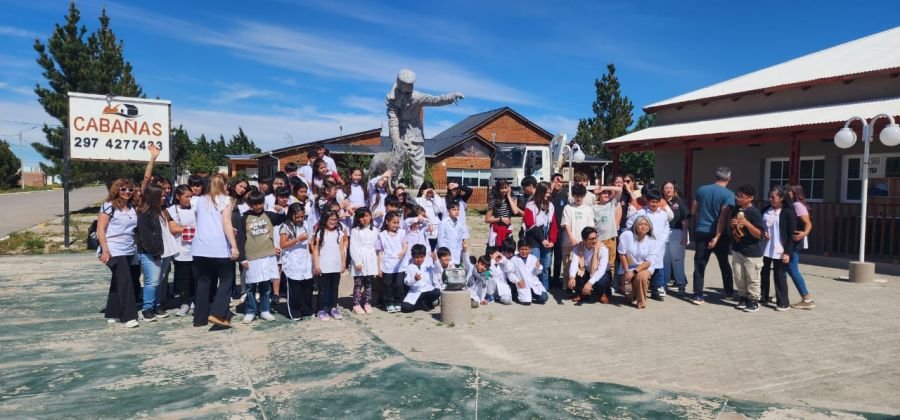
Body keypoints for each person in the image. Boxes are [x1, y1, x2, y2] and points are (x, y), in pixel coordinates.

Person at [385, 68, 464, 188]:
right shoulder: (392, 98)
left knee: (418, 169)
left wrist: (450, 97)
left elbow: (435, 100)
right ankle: (396, 189)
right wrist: (396, 141)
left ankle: (420, 192)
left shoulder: (417, 96)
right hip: (399, 135)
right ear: (401, 85)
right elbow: (393, 121)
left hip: (416, 135)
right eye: (408, 85)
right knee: (396, 165)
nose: (411, 87)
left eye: (412, 84)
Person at [192, 173, 241, 328]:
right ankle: (218, 312)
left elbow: (204, 220)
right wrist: (234, 246)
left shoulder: (198, 200)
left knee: (203, 281)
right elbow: (226, 222)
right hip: (218, 247)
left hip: (199, 247)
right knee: (226, 279)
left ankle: (199, 318)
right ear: (223, 185)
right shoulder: (225, 200)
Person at [235, 191, 286, 324]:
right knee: (251, 286)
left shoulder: (269, 215)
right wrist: (242, 258)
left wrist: (281, 211)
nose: (258, 206)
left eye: (260, 203)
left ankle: (265, 310)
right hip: (251, 257)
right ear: (249, 205)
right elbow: (240, 238)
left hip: (267, 256)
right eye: (254, 204)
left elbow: (282, 219)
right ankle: (250, 311)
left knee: (265, 285)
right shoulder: (244, 218)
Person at [98, 178, 140, 328]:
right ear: (116, 190)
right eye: (123, 189)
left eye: (130, 189)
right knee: (125, 280)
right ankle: (128, 316)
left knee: (118, 280)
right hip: (113, 249)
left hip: (128, 249)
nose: (127, 192)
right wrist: (105, 250)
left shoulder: (132, 207)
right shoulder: (108, 206)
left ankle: (113, 312)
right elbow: (100, 229)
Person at [691, 166, 736, 305]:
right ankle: (728, 292)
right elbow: (723, 217)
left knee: (699, 264)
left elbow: (693, 211)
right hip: (720, 234)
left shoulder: (701, 190)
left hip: (701, 231)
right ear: (729, 179)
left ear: (715, 177)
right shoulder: (729, 194)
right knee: (724, 263)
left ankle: (698, 295)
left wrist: (693, 229)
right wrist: (717, 236)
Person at [624, 187, 671, 301]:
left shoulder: (663, 214)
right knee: (642, 268)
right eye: (652, 202)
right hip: (643, 246)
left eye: (656, 202)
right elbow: (629, 224)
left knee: (658, 268)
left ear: (659, 202)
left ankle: (656, 291)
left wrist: (663, 240)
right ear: (647, 201)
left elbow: (666, 228)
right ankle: (637, 291)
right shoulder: (640, 213)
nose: (654, 204)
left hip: (659, 246)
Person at [728, 184, 766, 313]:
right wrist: (733, 225)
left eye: (741, 197)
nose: (738, 198)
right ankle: (743, 297)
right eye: (737, 196)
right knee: (739, 276)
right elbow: (734, 229)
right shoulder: (736, 210)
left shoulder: (754, 213)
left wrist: (747, 224)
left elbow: (760, 234)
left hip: (752, 251)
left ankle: (754, 300)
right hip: (738, 248)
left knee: (752, 277)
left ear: (750, 198)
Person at [760, 186, 797, 311]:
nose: (770, 199)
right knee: (763, 273)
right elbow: (759, 224)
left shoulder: (788, 212)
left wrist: (788, 252)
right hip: (765, 248)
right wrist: (761, 232)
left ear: (781, 198)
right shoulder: (766, 210)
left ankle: (783, 302)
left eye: (773, 197)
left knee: (779, 275)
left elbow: (792, 235)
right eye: (769, 197)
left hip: (780, 249)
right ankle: (763, 296)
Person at [280, 203, 314, 321]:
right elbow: (283, 244)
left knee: (307, 286)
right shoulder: (286, 227)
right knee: (295, 288)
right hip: (293, 260)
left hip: (305, 259)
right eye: (297, 217)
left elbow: (311, 241)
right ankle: (294, 312)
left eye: (302, 216)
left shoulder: (306, 224)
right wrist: (298, 239)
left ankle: (307, 309)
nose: (300, 219)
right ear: (291, 215)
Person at [618, 215, 659, 309]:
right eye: (640, 224)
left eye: (646, 224)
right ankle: (632, 294)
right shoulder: (626, 235)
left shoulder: (652, 240)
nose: (643, 226)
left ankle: (641, 301)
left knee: (641, 277)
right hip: (628, 267)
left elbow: (648, 261)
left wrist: (635, 271)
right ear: (635, 226)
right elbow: (622, 254)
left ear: (649, 227)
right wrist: (627, 271)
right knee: (629, 294)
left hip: (645, 267)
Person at [785, 184, 816, 309]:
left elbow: (807, 223)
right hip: (792, 240)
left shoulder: (797, 205)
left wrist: (804, 233)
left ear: (795, 193)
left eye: (789, 191)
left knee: (792, 269)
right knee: (786, 268)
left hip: (795, 241)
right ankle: (780, 293)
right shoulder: (792, 205)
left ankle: (807, 298)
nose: (787, 193)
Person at [167, 185, 196, 317]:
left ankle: (196, 300)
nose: (189, 199)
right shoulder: (171, 210)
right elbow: (173, 229)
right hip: (181, 249)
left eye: (191, 196)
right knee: (183, 278)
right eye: (186, 196)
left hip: (197, 248)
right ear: (178, 197)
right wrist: (191, 228)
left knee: (197, 277)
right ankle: (184, 303)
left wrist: (184, 227)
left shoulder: (196, 207)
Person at [523, 181, 557, 291]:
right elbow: (530, 224)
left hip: (546, 235)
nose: (549, 194)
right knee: (534, 264)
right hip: (534, 237)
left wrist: (552, 240)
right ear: (541, 192)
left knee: (546, 265)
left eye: (549, 192)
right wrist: (542, 240)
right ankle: (533, 288)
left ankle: (544, 288)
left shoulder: (550, 205)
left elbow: (553, 224)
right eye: (547, 192)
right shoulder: (530, 205)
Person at [560, 184, 593, 294]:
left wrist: (585, 241)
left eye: (581, 196)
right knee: (568, 265)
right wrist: (572, 238)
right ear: (573, 195)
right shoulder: (568, 208)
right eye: (576, 196)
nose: (578, 198)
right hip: (569, 242)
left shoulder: (588, 209)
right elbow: (566, 225)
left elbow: (590, 227)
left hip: (583, 242)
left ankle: (578, 287)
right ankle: (567, 286)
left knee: (580, 265)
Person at [567, 227, 611, 304]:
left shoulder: (603, 249)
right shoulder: (578, 247)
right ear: (584, 240)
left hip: (602, 273)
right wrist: (572, 277)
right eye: (591, 239)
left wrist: (589, 283)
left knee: (601, 281)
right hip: (586, 271)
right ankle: (581, 293)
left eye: (596, 237)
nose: (595, 240)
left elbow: (601, 270)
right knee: (575, 274)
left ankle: (602, 293)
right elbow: (574, 262)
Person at [662, 181, 690, 295]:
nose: (668, 190)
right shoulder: (660, 202)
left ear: (674, 190)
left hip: (676, 232)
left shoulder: (679, 202)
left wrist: (685, 234)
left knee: (677, 260)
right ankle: (663, 284)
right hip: (663, 233)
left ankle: (681, 284)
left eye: (670, 188)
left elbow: (685, 219)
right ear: (663, 190)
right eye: (666, 188)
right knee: (665, 260)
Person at [377, 211, 408, 313]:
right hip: (387, 265)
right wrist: (379, 268)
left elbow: (405, 245)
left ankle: (398, 301)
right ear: (387, 222)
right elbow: (380, 252)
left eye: (397, 223)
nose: (396, 225)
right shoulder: (382, 235)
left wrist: (403, 252)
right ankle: (389, 303)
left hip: (399, 265)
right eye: (394, 223)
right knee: (387, 285)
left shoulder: (402, 233)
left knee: (399, 284)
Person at [349, 207, 378, 315]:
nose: (364, 219)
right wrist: (357, 261)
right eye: (361, 217)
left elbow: (375, 246)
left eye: (366, 216)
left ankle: (367, 302)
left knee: (369, 283)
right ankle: (356, 304)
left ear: (370, 216)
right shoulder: (355, 230)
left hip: (370, 258)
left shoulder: (374, 230)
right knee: (358, 283)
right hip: (360, 258)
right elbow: (353, 247)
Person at [592, 184, 622, 279]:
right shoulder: (594, 207)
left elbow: (619, 189)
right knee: (599, 263)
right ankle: (598, 283)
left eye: (608, 193)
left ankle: (609, 285)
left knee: (611, 264)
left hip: (611, 239)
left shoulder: (612, 204)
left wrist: (604, 188)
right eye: (603, 193)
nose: (606, 195)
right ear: (599, 195)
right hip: (599, 240)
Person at [402, 244, 442, 312]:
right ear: (413, 257)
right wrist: (414, 279)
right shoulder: (409, 267)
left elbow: (438, 270)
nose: (419, 259)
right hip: (415, 292)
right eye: (417, 257)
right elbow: (406, 282)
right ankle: (422, 305)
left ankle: (424, 303)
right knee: (406, 308)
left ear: (424, 256)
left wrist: (435, 260)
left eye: (421, 257)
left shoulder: (428, 265)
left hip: (427, 290)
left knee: (437, 291)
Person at [510, 240, 549, 305]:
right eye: (522, 249)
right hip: (521, 284)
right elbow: (510, 273)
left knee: (544, 298)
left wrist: (538, 267)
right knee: (526, 302)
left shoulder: (533, 258)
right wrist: (517, 281)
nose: (524, 252)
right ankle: (515, 294)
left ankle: (531, 293)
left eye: (526, 249)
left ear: (530, 249)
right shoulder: (514, 259)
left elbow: (537, 273)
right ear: (518, 249)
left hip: (533, 283)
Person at [485, 180, 520, 247]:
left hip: (507, 229)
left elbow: (515, 211)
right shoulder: (493, 200)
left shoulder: (513, 199)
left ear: (509, 188)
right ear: (498, 189)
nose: (504, 190)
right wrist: (500, 219)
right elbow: (487, 219)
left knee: (508, 251)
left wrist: (509, 197)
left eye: (505, 188)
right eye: (501, 188)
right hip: (496, 230)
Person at [549, 174, 568, 289]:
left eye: (561, 181)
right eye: (557, 181)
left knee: (559, 256)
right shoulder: (548, 194)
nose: (559, 183)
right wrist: (551, 187)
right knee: (548, 256)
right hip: (549, 229)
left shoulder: (564, 195)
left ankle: (556, 278)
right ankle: (547, 279)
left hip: (560, 230)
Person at [437, 201, 469, 266]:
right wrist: (444, 255)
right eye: (454, 209)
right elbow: (440, 240)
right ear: (448, 211)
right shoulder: (444, 223)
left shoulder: (461, 223)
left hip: (457, 253)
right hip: (446, 254)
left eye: (458, 209)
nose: (456, 211)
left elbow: (464, 238)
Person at [415, 181, 445, 250]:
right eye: (427, 191)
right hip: (423, 227)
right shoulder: (418, 200)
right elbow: (420, 210)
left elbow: (438, 210)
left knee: (435, 248)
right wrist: (423, 195)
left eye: (430, 191)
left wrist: (435, 195)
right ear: (422, 190)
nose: (429, 194)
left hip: (436, 228)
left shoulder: (436, 200)